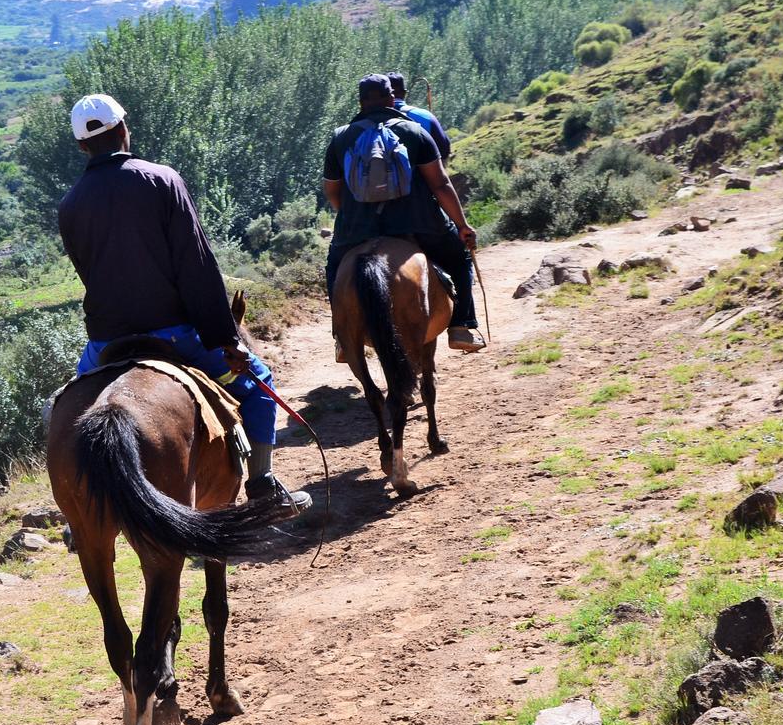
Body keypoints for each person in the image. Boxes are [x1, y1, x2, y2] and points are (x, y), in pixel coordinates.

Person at [58, 93, 311, 513]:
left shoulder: (69, 205)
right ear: (124, 129)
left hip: (106, 341)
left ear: (82, 146)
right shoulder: (161, 179)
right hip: (174, 333)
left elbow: (90, 274)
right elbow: (196, 266)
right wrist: (225, 338)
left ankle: (78, 508)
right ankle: (263, 484)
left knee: (64, 413)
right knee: (259, 388)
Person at [323, 74, 486, 354]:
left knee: (335, 270)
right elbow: (440, 183)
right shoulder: (414, 131)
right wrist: (462, 225)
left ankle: (343, 336)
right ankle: (461, 326)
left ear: (361, 102)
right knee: (458, 257)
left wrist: (349, 218)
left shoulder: (341, 137)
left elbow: (332, 191)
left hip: (358, 229)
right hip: (421, 223)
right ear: (392, 97)